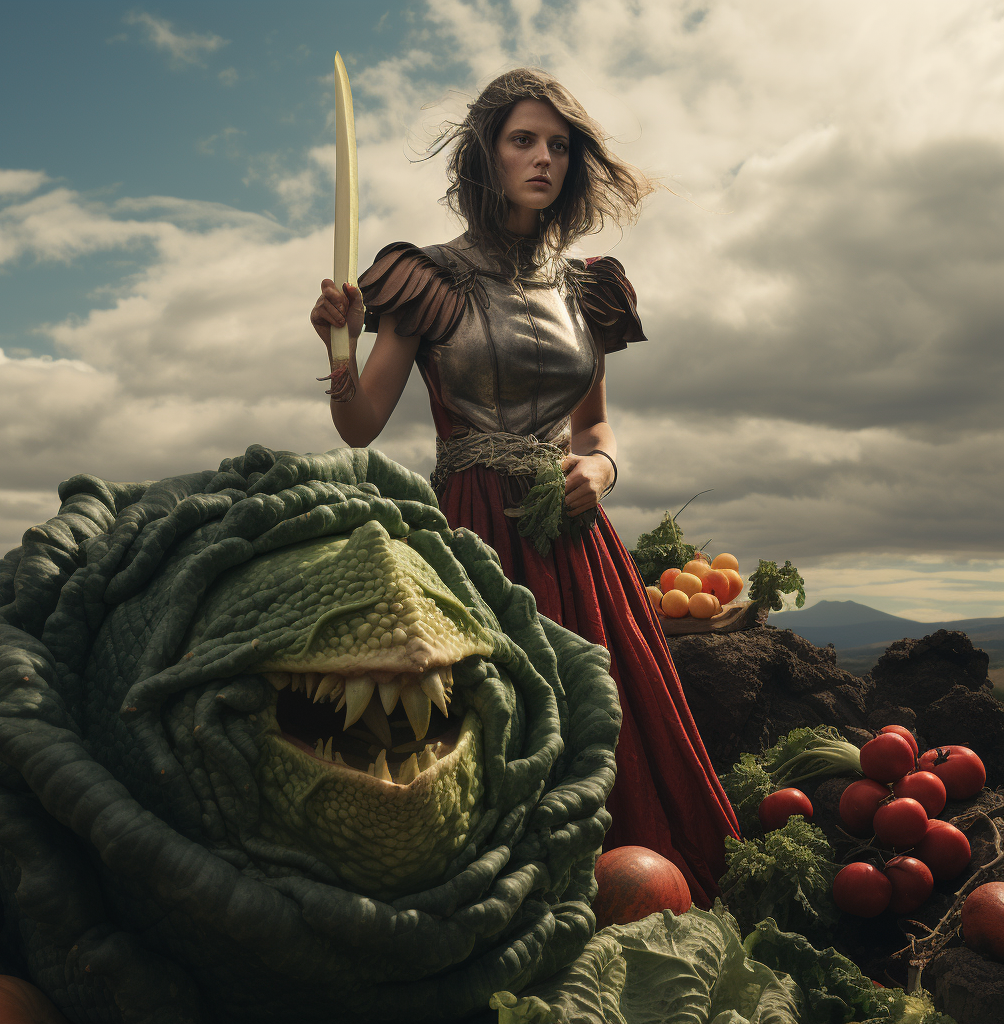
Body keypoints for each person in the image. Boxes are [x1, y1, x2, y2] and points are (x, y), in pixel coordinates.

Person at [310, 68, 738, 905]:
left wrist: (603, 468)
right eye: (522, 141)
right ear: (487, 154)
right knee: (495, 721)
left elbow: (594, 429)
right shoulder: (424, 277)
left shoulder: (591, 288)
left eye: (558, 143)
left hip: (576, 539)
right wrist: (340, 351)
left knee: (613, 720)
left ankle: (635, 889)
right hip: (475, 534)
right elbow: (361, 423)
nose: (543, 158)